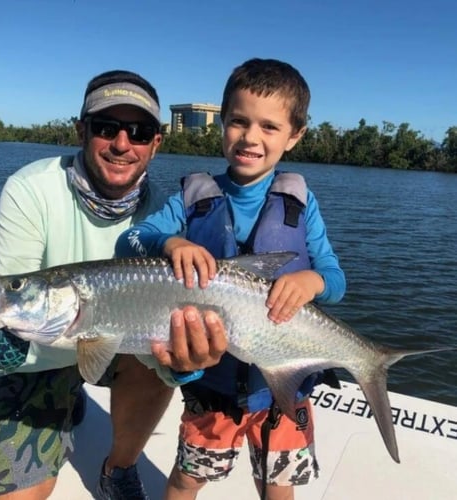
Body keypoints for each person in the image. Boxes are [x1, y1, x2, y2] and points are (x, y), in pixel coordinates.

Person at [0, 69, 228, 500]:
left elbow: (172, 344)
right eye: (106, 128)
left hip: (123, 350)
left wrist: (185, 361)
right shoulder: (29, 189)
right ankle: (65, 396)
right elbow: (6, 300)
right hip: (37, 358)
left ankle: (117, 467)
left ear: (156, 143)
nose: (122, 144)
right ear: (81, 130)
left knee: (156, 350)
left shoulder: (167, 214)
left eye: (138, 132)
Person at [115, 58, 346, 500]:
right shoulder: (190, 196)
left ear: (294, 136)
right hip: (212, 387)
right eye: (238, 122)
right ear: (222, 124)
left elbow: (336, 279)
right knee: (187, 479)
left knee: (281, 486)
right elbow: (131, 240)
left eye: (269, 127)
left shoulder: (302, 202)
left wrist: (312, 283)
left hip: (284, 386)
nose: (250, 138)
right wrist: (171, 244)